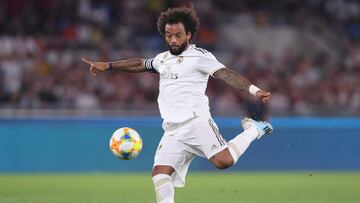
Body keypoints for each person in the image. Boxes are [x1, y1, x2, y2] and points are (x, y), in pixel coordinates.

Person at [82, 6, 273, 203]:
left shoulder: (200, 56)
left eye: (178, 35)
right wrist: (109, 65)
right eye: (169, 35)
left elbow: (226, 74)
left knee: (224, 161)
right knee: (160, 173)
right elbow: (140, 64)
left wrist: (254, 90)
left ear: (188, 34)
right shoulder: (162, 59)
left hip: (196, 122)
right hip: (173, 129)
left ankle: (254, 129)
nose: (173, 40)